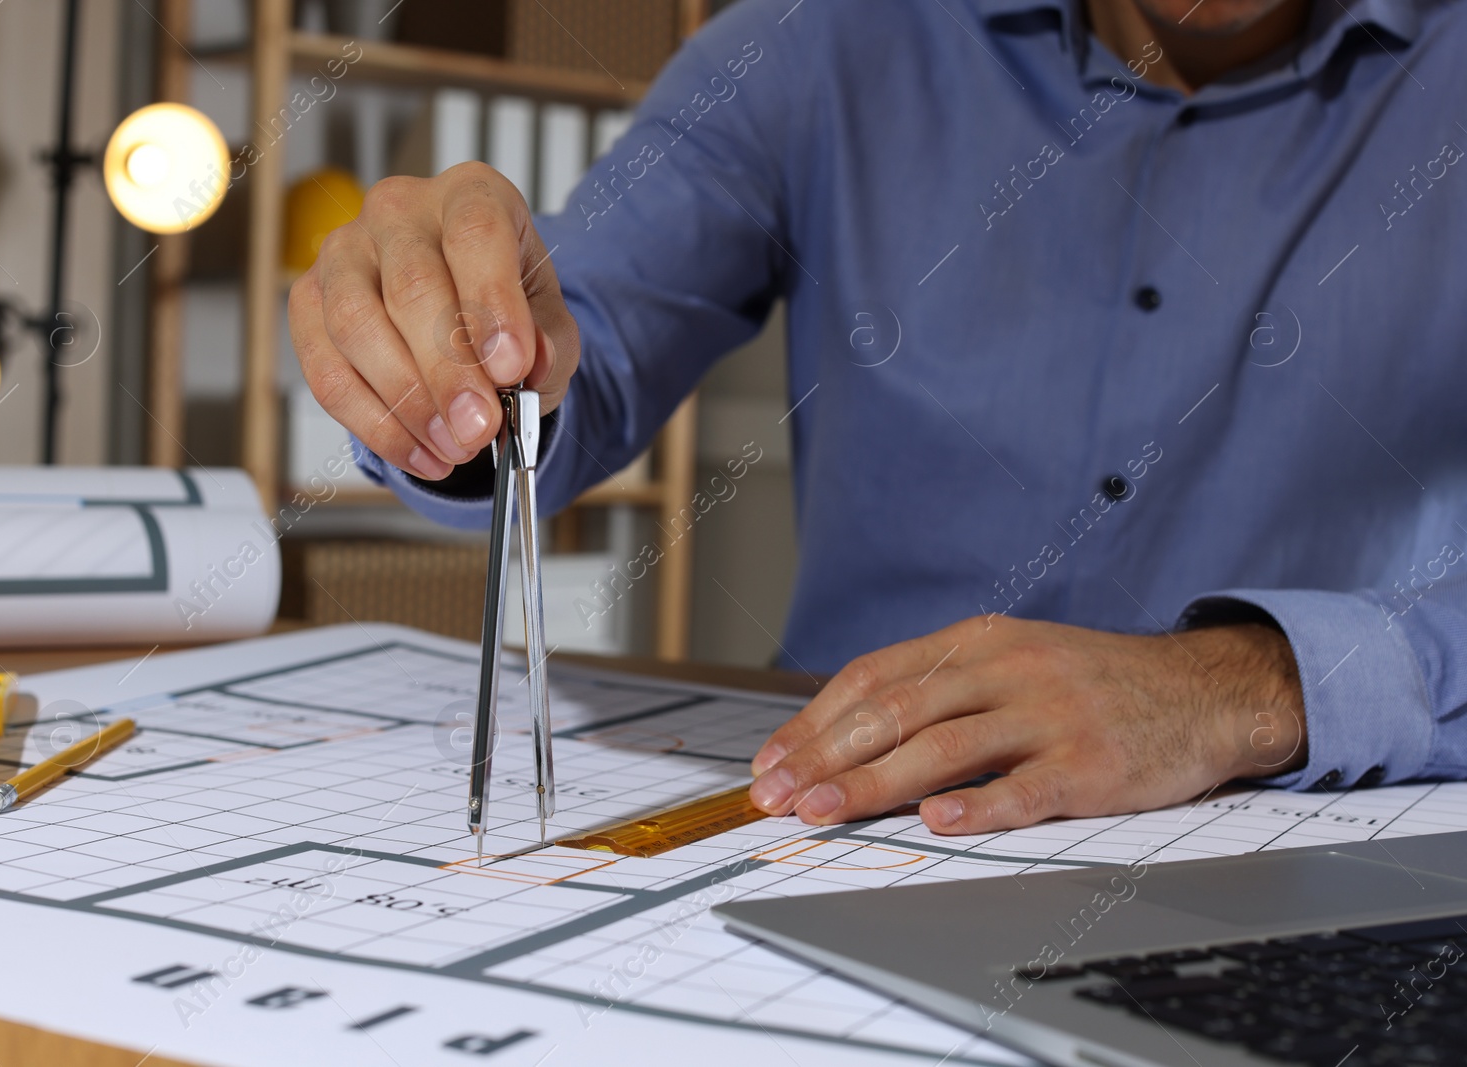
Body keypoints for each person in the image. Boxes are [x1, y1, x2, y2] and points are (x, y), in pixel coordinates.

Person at [288, 0, 1467, 837]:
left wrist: (1249, 687)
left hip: (1316, 835)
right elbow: (579, 343)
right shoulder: (819, 41)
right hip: (830, 811)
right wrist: (461, 356)